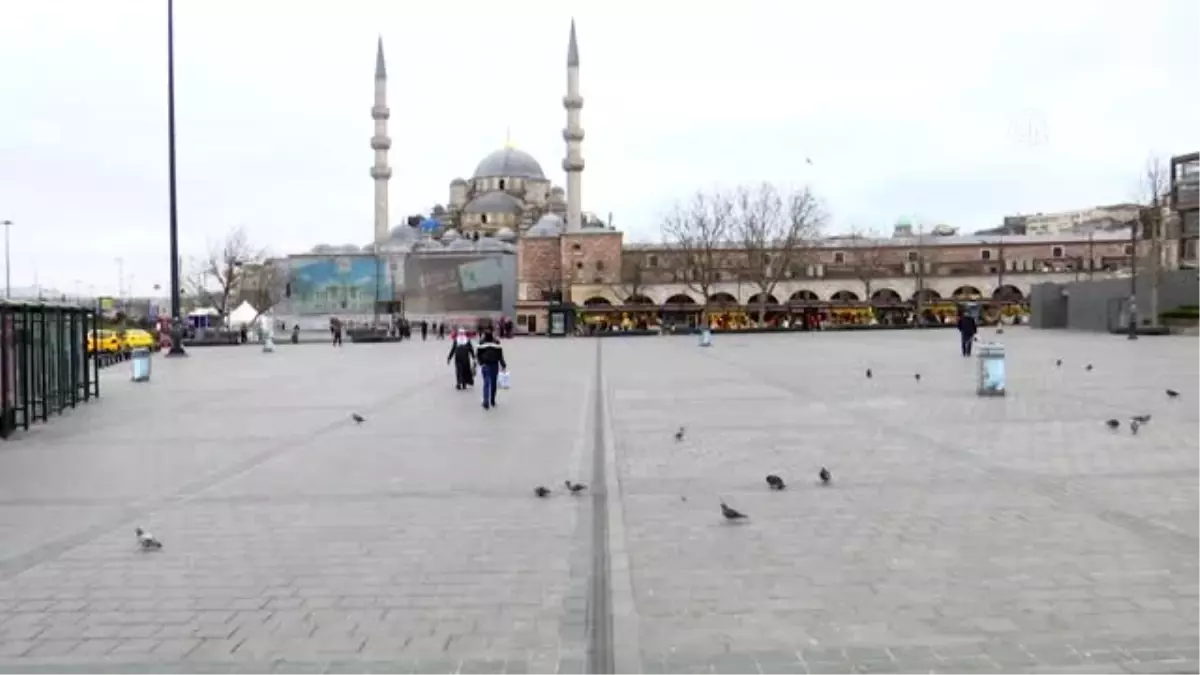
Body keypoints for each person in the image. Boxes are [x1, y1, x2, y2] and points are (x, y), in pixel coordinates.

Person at [476, 329, 507, 410]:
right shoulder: (494, 342)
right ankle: (489, 401)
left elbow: (478, 354)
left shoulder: (484, 342)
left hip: (489, 365)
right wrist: (503, 364)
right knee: (490, 383)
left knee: (489, 384)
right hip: (491, 365)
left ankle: (489, 401)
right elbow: (500, 355)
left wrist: (481, 362)